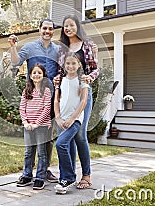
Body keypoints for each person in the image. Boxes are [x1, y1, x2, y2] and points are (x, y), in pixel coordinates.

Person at [8, 19, 59, 183]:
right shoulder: (30, 47)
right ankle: (28, 172)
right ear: (40, 30)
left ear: (53, 31)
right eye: (45, 28)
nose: (47, 31)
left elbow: (64, 69)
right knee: (31, 136)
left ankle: (45, 170)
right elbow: (16, 61)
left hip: (50, 98)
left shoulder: (58, 50)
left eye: (50, 29)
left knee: (48, 136)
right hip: (33, 97)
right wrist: (13, 46)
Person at [55, 14, 99, 189]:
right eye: (65, 26)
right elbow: (60, 70)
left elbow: (95, 69)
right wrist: (57, 81)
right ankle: (69, 175)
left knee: (80, 135)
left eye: (71, 25)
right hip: (67, 95)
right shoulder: (62, 48)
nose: (68, 28)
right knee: (68, 136)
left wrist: (89, 78)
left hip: (82, 94)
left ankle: (86, 176)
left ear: (77, 27)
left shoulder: (87, 44)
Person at [54, 52, 89, 194]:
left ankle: (69, 177)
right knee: (65, 146)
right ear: (64, 64)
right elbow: (56, 100)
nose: (70, 66)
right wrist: (58, 117)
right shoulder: (60, 80)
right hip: (62, 120)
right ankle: (64, 180)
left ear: (79, 64)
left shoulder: (83, 80)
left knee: (60, 144)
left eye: (74, 63)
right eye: (68, 63)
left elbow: (83, 101)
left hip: (74, 121)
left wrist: (72, 118)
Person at [17, 64, 52, 190]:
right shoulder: (26, 91)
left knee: (42, 153)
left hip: (41, 126)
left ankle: (40, 178)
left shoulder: (46, 91)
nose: (36, 75)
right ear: (30, 76)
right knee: (28, 152)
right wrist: (26, 122)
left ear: (43, 76)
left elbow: (47, 108)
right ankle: (27, 175)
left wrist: (37, 123)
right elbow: (22, 107)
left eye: (39, 73)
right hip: (28, 127)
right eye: (34, 73)